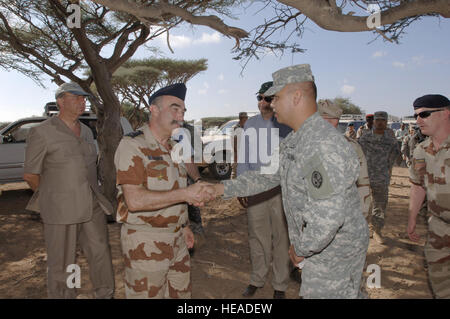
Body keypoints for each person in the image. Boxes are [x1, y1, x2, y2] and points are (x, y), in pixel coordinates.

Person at [205, 64, 369, 299]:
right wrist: (219, 187)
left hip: (334, 253)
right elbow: (266, 176)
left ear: (297, 96)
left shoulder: (321, 144)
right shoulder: (296, 139)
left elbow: (329, 214)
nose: (271, 104)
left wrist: (303, 248)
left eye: (276, 97)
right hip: (321, 249)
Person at [114, 83, 213, 299]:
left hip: (177, 238)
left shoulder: (176, 145)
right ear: (154, 110)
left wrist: (184, 225)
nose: (181, 116)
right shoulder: (132, 145)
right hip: (145, 242)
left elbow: (175, 188)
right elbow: (135, 201)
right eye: (175, 109)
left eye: (183, 111)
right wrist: (186, 194)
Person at [23, 82, 115, 298]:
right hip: (61, 209)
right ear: (61, 101)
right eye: (76, 97)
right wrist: (51, 200)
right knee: (64, 260)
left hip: (92, 203)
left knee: (100, 251)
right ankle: (66, 295)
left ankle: (105, 293)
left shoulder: (85, 131)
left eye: (84, 98)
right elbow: (30, 175)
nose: (82, 102)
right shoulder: (42, 132)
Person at [236, 81, 292, 299]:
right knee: (256, 236)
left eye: (267, 98)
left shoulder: (286, 124)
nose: (262, 102)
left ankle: (280, 285)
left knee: (281, 237)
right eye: (259, 98)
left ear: (275, 100)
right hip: (256, 189)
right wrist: (242, 185)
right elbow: (244, 156)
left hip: (280, 190)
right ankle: (256, 279)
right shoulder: (250, 124)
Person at [407, 94, 450, 299]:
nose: (418, 120)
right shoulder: (421, 150)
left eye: (424, 114)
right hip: (438, 230)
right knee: (441, 286)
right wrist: (412, 218)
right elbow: (418, 187)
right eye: (416, 115)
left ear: (445, 113)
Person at [318, 100, 372, 220]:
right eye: (323, 120)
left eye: (332, 120)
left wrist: (362, 216)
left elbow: (363, 183)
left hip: (344, 218)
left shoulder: (352, 147)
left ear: (337, 121)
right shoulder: (301, 145)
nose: (327, 124)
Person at [359, 111, 401, 244]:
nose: (380, 122)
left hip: (381, 178)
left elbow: (395, 158)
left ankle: (377, 231)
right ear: (373, 121)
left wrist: (387, 171)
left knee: (380, 206)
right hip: (363, 178)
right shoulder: (364, 139)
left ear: (386, 122)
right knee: (361, 205)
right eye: (378, 120)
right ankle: (360, 231)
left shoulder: (391, 141)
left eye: (383, 120)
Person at [172, 122, 206, 248]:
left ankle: (196, 231)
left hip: (184, 177)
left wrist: (198, 180)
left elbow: (188, 160)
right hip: (164, 182)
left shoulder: (181, 133)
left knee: (191, 206)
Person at [231, 112, 248, 179]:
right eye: (245, 118)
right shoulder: (235, 128)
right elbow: (234, 145)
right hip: (237, 155)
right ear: (241, 119)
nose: (247, 119)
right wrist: (236, 159)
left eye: (247, 118)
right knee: (234, 174)